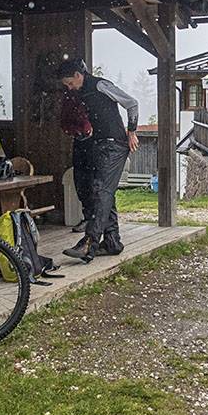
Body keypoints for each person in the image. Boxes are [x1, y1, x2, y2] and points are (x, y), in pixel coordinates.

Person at [55, 58, 139, 262]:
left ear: (78, 75)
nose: (69, 87)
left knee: (101, 191)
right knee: (101, 192)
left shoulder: (100, 85)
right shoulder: (81, 92)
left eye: (70, 83)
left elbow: (132, 103)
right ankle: (112, 242)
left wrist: (132, 131)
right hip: (100, 145)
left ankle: (88, 244)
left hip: (115, 144)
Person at [59, 88, 94, 232]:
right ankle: (87, 217)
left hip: (94, 141)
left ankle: (97, 219)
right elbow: (63, 121)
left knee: (95, 181)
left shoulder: (92, 92)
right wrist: (75, 130)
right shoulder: (69, 97)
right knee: (80, 180)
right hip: (79, 141)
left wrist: (92, 128)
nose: (69, 85)